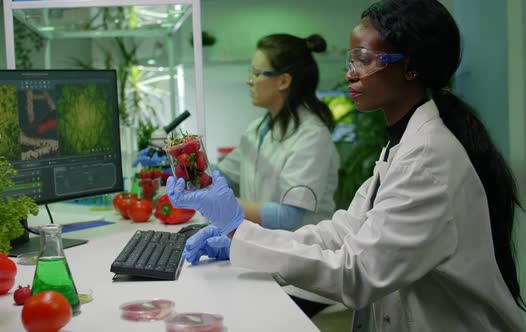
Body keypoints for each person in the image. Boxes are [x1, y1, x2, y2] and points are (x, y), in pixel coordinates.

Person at [167, 0, 526, 330]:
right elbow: (343, 231)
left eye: (364, 59)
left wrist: (237, 226)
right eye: (351, 60)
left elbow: (359, 271)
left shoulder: (429, 158)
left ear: (411, 68)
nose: (350, 73)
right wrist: (239, 238)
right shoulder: (402, 145)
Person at [216, 33, 338, 231]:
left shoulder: (312, 136)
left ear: (283, 81)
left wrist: (221, 203)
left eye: (256, 73)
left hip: (301, 252)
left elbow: (290, 218)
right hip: (264, 248)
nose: (249, 80)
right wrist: (181, 167)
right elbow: (223, 175)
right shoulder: (256, 130)